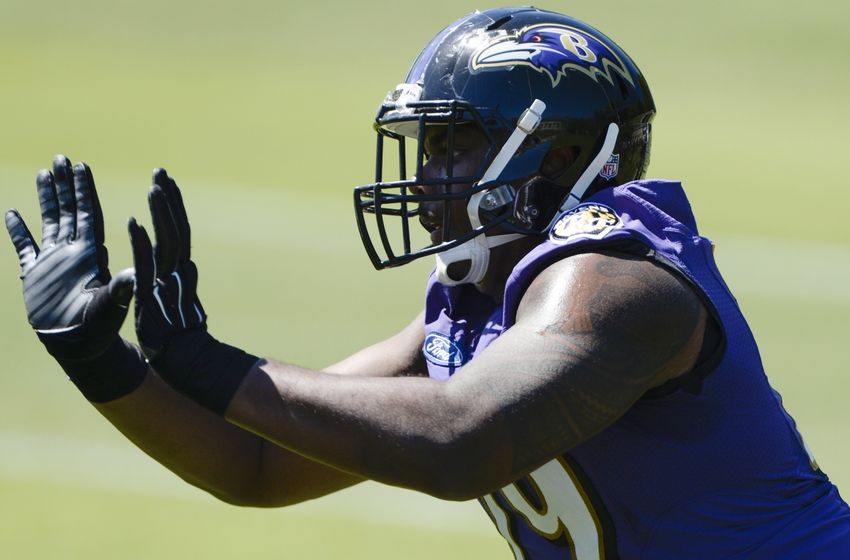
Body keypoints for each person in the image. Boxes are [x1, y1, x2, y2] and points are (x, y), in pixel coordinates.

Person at [5, 6, 850, 559]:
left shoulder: (620, 283)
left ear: (557, 156)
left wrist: (211, 363)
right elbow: (258, 464)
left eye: (450, 146)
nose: (421, 180)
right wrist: (101, 361)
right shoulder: (476, 303)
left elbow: (460, 442)